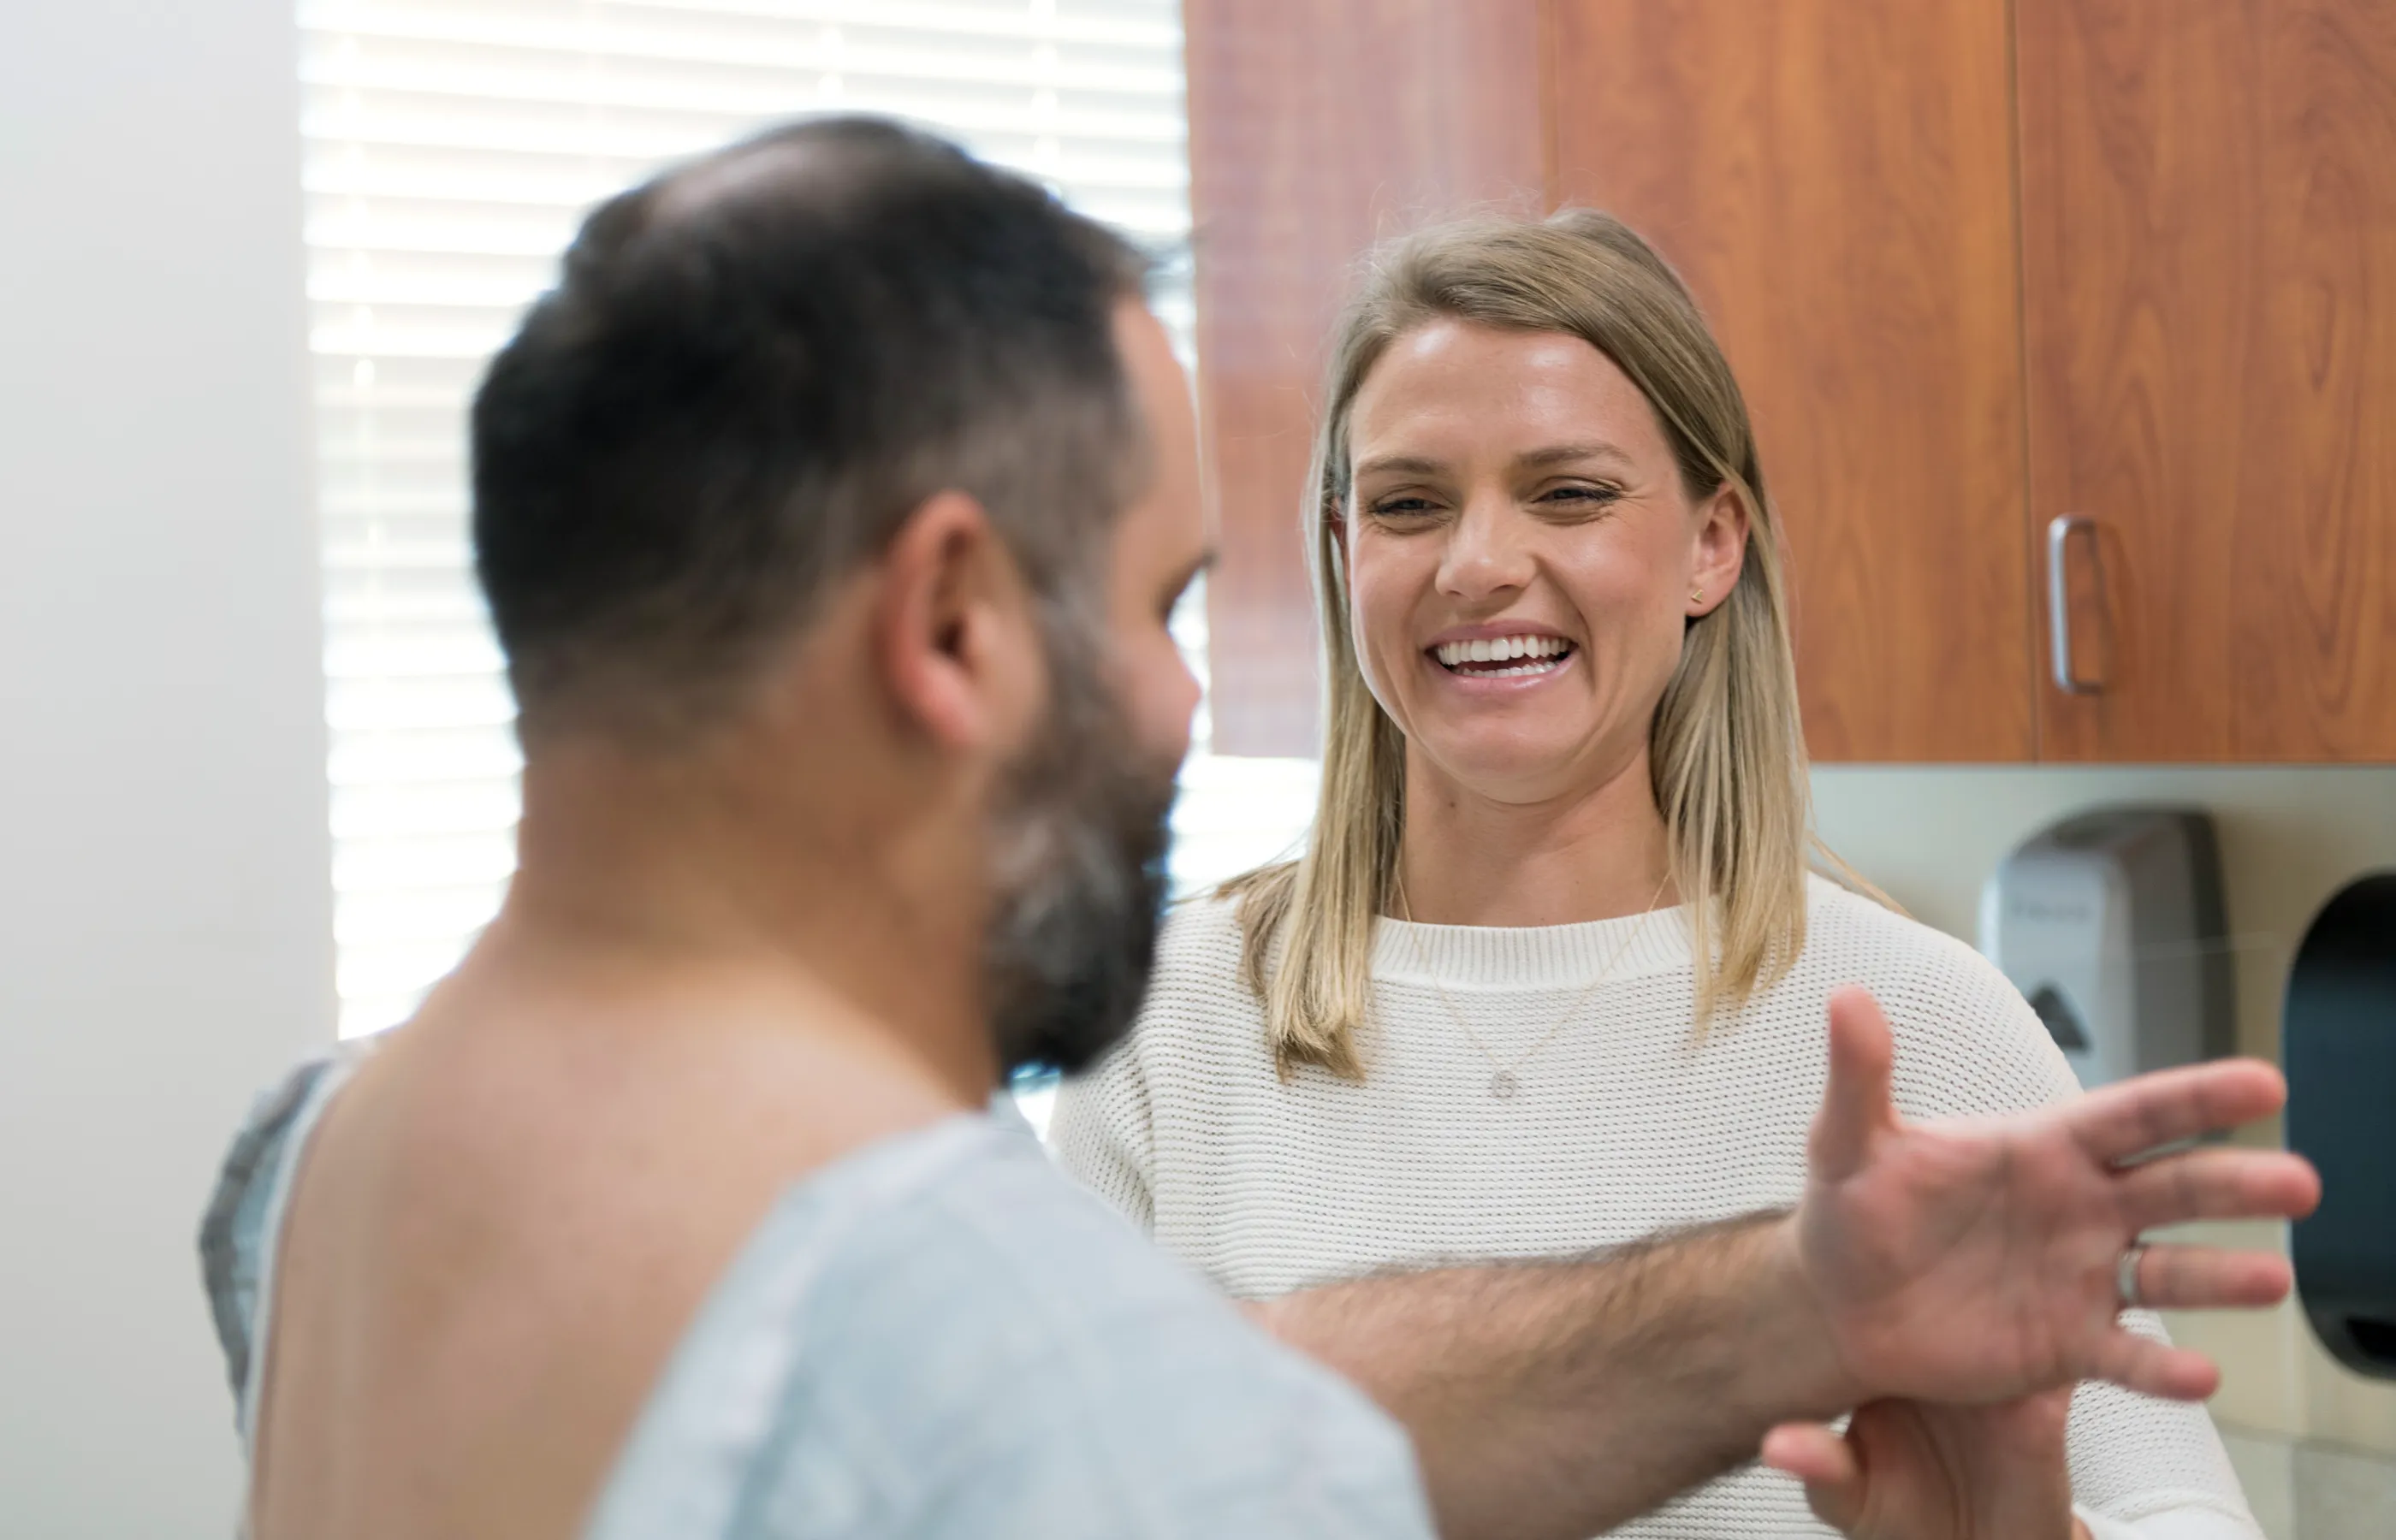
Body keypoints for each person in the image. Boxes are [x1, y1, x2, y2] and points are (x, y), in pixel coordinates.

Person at [198, 121, 2317, 1540]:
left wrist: (1813, 1310)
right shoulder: (913, 1299)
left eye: (1565, 491)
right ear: (944, 619)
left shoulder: (310, 1168)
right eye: (1150, 603)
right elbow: (1219, 1427)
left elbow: (1230, 1383)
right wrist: (1811, 1309)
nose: (1186, 697)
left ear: (1709, 545)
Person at [1051, 209, 2285, 1537]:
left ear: (1714, 543)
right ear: (1348, 552)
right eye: (1411, 503)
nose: (1476, 564)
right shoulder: (1168, 1024)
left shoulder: (1912, 1025)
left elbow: (2186, 1517)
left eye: (1569, 492)